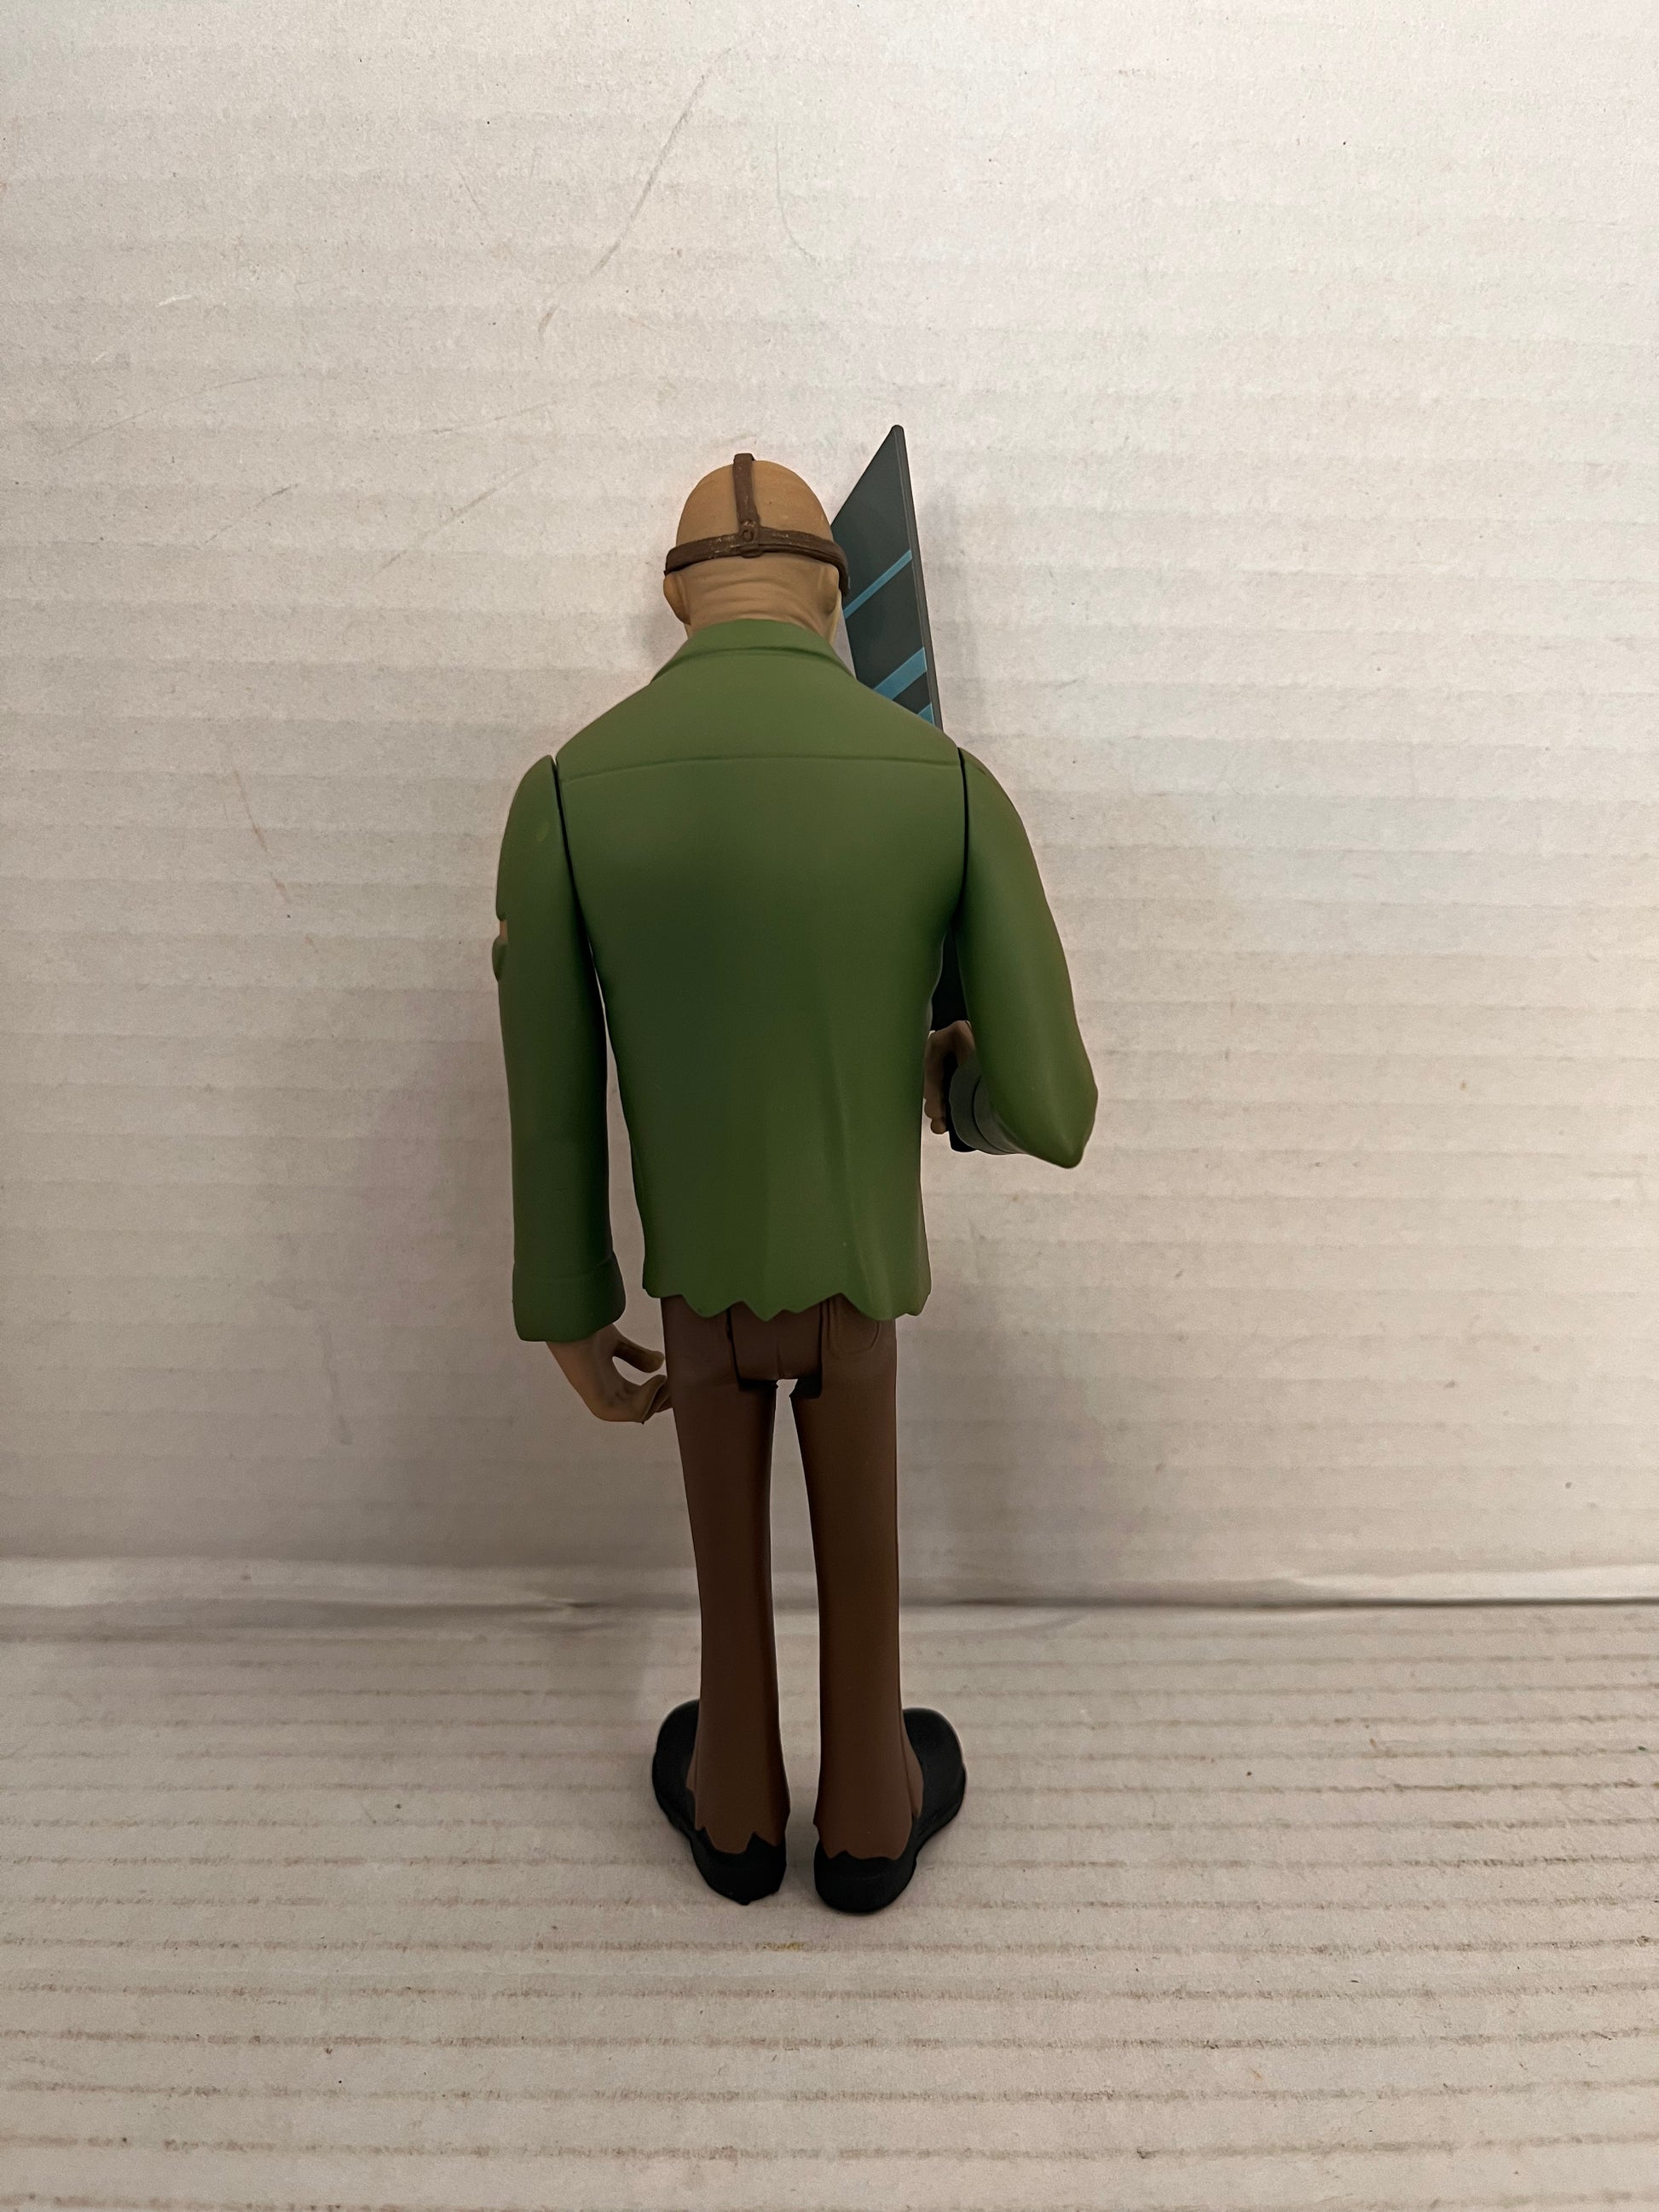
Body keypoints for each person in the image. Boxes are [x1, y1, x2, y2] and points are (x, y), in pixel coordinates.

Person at [493, 453, 1095, 1911]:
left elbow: (551, 1096)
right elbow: (1056, 1109)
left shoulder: (564, 793)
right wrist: (955, 1081)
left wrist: (568, 1308)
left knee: (726, 1574)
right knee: (863, 1569)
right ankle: (872, 1817)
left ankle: (736, 1810)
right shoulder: (949, 787)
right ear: (833, 594)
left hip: (694, 1301)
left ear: (675, 599)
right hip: (858, 1292)